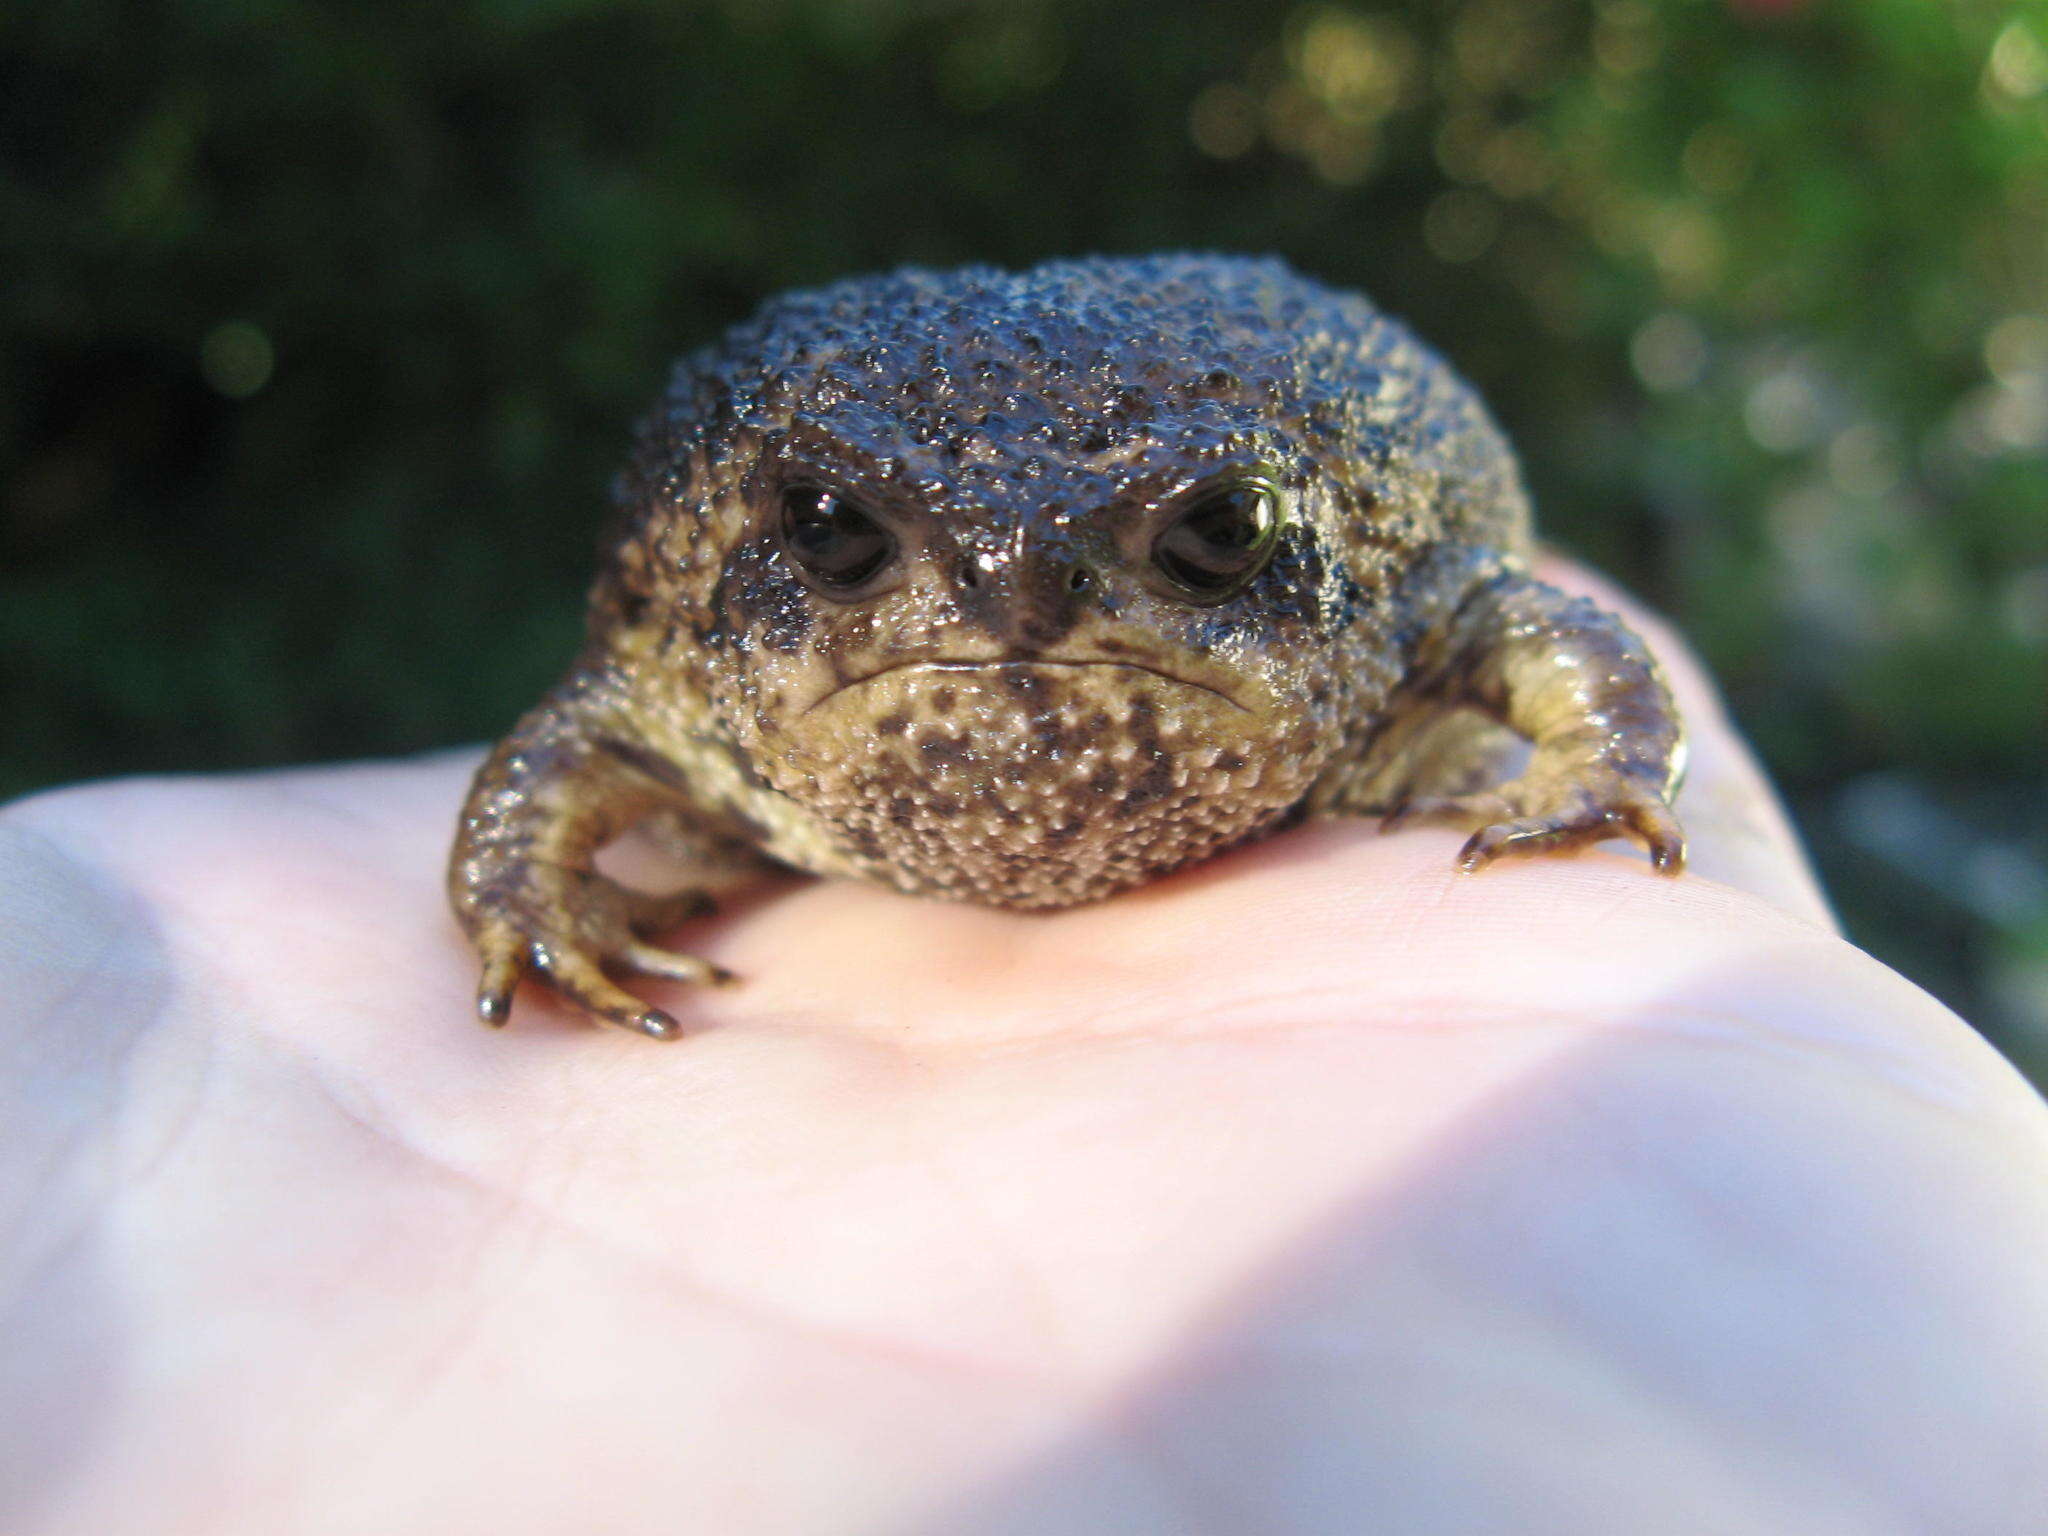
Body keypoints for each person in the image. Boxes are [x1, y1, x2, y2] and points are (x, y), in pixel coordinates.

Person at [3, 565, 2044, 1535]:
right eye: (853, 532)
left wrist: (1601, 774)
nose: (1006, 595)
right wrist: (532, 912)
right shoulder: (704, 672)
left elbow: (1532, 637)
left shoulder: (1354, 600)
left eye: (1179, 535)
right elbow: (570, 758)